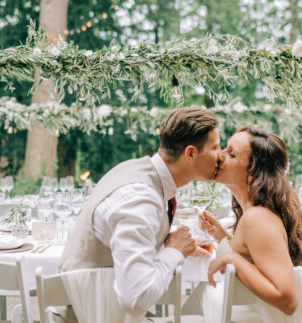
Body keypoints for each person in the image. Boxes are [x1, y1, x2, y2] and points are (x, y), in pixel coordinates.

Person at [59, 107, 221, 322]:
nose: (220, 156)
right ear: (190, 153)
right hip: (91, 316)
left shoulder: (135, 171)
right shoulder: (139, 197)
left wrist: (174, 245)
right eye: (216, 147)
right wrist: (173, 251)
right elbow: (135, 299)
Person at [190, 125, 302, 322]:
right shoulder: (255, 214)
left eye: (231, 154)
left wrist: (233, 260)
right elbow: (255, 258)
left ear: (252, 174)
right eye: (224, 148)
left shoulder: (257, 218)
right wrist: (221, 235)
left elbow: (287, 300)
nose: (219, 155)